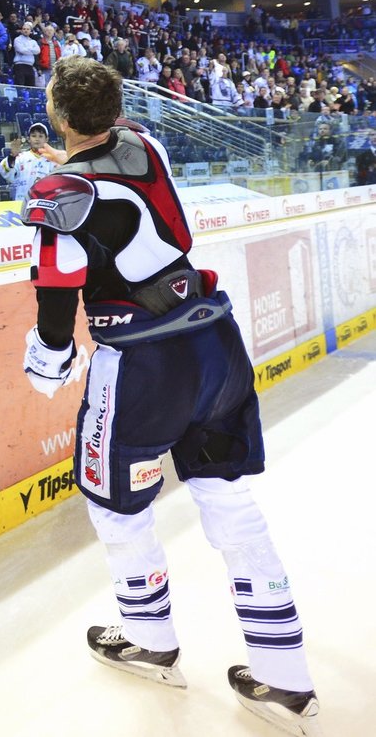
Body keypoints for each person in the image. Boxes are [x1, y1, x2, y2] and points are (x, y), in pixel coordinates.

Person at [20, 56, 319, 733]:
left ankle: (150, 638)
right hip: (215, 341)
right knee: (229, 500)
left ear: (59, 117)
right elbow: (136, 211)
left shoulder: (57, 189)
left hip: (141, 362)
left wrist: (50, 362)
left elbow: (56, 288)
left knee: (116, 505)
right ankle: (287, 677)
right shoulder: (144, 144)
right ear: (113, 109)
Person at [0, 122, 57, 200]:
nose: (37, 139)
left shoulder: (53, 159)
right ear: (29, 139)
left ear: (46, 139)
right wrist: (12, 156)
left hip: (45, 202)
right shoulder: (20, 157)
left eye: (40, 136)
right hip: (22, 202)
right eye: (33, 136)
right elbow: (5, 172)